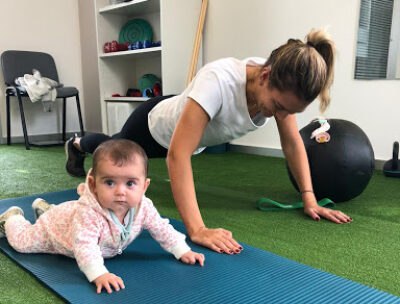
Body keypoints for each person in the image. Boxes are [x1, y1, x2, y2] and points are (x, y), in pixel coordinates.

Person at [65, 28, 352, 255]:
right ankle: (77, 144)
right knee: (112, 153)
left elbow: (292, 143)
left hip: (183, 129)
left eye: (291, 111)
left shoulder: (280, 83)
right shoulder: (219, 80)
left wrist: (309, 199)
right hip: (152, 126)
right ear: (265, 76)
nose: (282, 116)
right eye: (279, 107)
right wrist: (198, 229)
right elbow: (177, 155)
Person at [0, 140, 204, 294]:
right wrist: (98, 272)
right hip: (54, 232)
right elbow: (85, 245)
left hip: (68, 218)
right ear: (93, 184)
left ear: (144, 186)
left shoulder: (144, 207)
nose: (120, 192)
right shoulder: (90, 213)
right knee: (21, 243)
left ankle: (47, 209)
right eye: (109, 183)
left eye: (130, 183)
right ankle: (13, 217)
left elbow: (162, 228)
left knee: (66, 217)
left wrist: (181, 250)